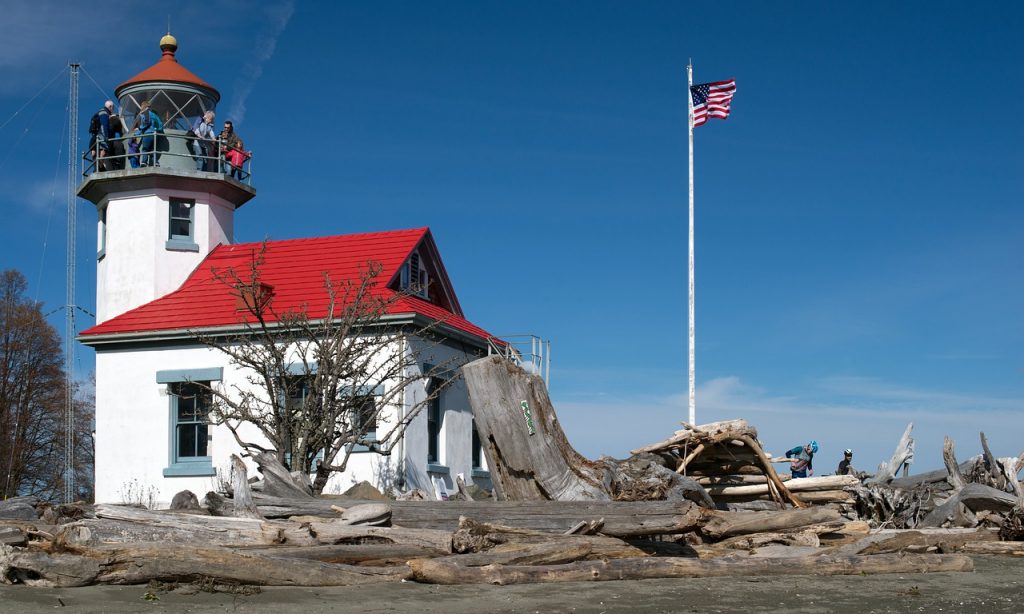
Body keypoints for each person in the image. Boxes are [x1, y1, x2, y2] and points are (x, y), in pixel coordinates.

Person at [88, 100, 115, 170]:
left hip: (94, 136)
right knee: (103, 150)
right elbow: (104, 125)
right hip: (101, 135)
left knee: (94, 152)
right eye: (113, 108)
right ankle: (99, 166)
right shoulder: (104, 113)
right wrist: (106, 136)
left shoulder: (98, 112)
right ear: (110, 107)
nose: (113, 110)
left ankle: (97, 167)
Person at [136, 100, 163, 167]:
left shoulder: (146, 112)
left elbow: (146, 122)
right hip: (154, 134)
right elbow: (160, 125)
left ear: (144, 106)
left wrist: (138, 131)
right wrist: (157, 130)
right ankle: (155, 162)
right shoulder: (154, 114)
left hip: (148, 134)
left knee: (145, 149)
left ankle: (144, 162)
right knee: (152, 150)